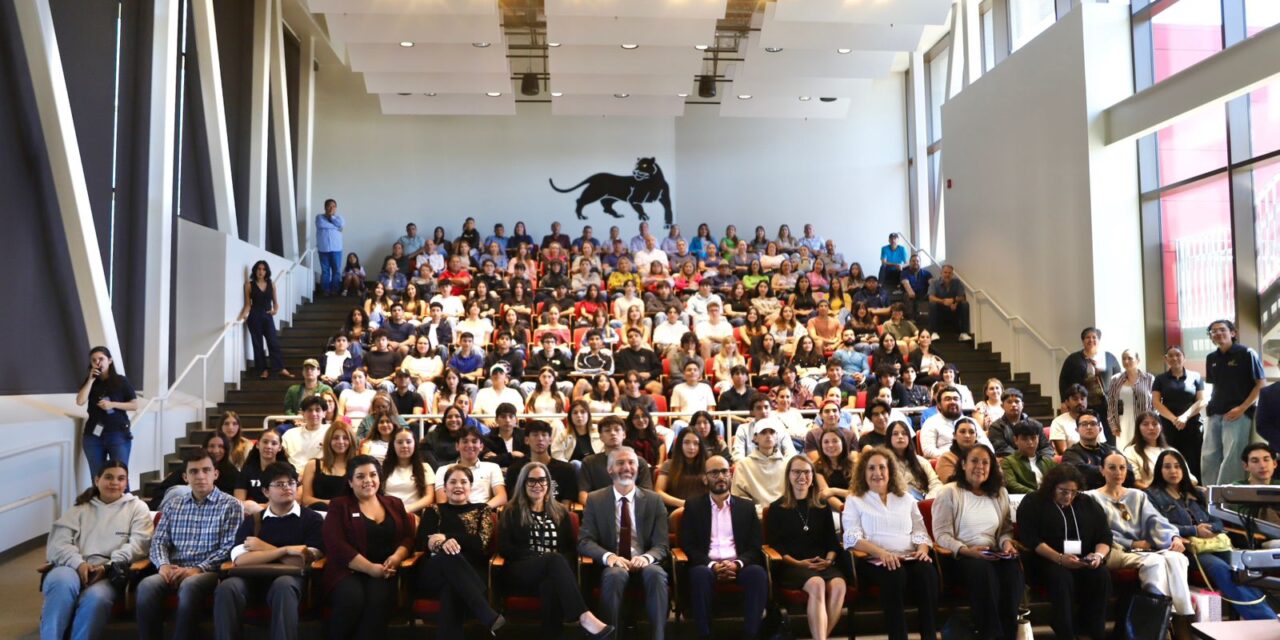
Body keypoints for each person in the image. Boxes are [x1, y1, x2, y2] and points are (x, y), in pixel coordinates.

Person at [1145, 449, 1276, 620]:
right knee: (1219, 567)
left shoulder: (1197, 493)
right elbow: (1159, 527)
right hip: (1186, 548)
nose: (1173, 471)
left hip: (1214, 543)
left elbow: (1218, 521)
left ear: (1184, 469)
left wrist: (1211, 529)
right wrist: (1195, 530)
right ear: (1159, 470)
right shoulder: (1152, 495)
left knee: (1243, 566)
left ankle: (1268, 613)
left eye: (1177, 466)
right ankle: (1265, 619)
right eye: (1167, 467)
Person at [498, 463, 617, 639]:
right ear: (523, 484)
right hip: (521, 570)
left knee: (550, 585)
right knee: (553, 559)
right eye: (531, 481)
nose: (537, 485)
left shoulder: (560, 512)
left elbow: (570, 548)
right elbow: (506, 549)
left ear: (548, 484)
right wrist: (541, 558)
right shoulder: (510, 511)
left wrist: (552, 563)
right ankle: (584, 616)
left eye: (542, 480)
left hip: (554, 573)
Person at [136, 450, 243, 640]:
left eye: (206, 470)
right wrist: (163, 565)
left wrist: (197, 569)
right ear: (185, 477)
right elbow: (159, 541)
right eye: (194, 472)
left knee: (190, 586)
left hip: (208, 571)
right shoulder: (173, 505)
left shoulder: (231, 505)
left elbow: (229, 548)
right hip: (173, 568)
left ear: (215, 474)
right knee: (146, 586)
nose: (200, 476)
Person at [213, 462, 324, 640]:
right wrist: (287, 551)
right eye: (279, 484)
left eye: (291, 482)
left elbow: (301, 562)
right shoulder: (253, 521)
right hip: (251, 580)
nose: (287, 487)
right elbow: (240, 560)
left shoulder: (312, 519)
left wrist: (263, 548)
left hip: (291, 583)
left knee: (284, 584)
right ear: (265, 491)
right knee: (228, 587)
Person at [1087, 453, 1195, 636]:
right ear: (1102, 470)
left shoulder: (1137, 495)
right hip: (1116, 549)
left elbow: (1156, 520)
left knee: (1177, 558)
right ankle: (1159, 623)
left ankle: (1179, 618)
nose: (1118, 472)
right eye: (1112, 467)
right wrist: (1131, 542)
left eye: (1122, 467)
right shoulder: (1091, 497)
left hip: (1144, 549)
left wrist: (1173, 537)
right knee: (1155, 562)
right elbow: (1096, 532)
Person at [42, 461, 152, 640]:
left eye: (120, 478)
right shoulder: (79, 508)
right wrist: (79, 564)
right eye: (108, 477)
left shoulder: (137, 508)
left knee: (96, 598)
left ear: (126, 482)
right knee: (62, 583)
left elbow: (139, 545)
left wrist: (106, 567)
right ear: (96, 480)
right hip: (72, 567)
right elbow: (58, 544)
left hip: (109, 572)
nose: (114, 483)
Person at [841, 447, 937, 640]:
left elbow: (920, 531)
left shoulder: (906, 498)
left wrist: (922, 549)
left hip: (909, 556)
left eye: (882, 468)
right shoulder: (855, 500)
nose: (877, 473)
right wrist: (881, 553)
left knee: (926, 570)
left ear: (890, 471)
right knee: (894, 573)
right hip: (874, 561)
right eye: (871, 468)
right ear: (863, 472)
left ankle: (929, 635)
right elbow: (852, 537)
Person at [931, 445, 1024, 640]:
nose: (979, 466)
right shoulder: (948, 492)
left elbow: (1005, 531)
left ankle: (1009, 633)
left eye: (985, 462)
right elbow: (941, 535)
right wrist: (968, 551)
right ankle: (991, 635)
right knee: (982, 569)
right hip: (960, 557)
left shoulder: (999, 493)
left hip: (992, 553)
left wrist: (1007, 544)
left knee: (1011, 567)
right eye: (974, 461)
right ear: (963, 464)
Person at [578, 446, 669, 639]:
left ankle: (658, 636)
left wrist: (647, 558)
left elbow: (662, 544)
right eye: (620, 463)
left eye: (631, 463)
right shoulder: (595, 499)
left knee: (656, 574)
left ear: (638, 468)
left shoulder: (654, 500)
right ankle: (610, 636)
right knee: (615, 575)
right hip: (612, 565)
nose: (626, 467)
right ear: (610, 469)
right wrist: (609, 556)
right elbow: (585, 541)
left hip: (645, 562)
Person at [321, 455, 414, 640]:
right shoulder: (339, 505)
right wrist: (370, 568)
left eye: (373, 475)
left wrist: (397, 556)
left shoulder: (394, 503)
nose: (368, 481)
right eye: (360, 476)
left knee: (378, 600)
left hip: (385, 571)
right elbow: (336, 544)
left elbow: (408, 537)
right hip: (348, 571)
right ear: (350, 481)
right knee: (351, 598)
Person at [1015, 464, 1112, 640]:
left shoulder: (1087, 502)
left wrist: (1098, 556)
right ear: (1052, 486)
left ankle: (1096, 631)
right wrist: (1059, 558)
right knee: (1060, 576)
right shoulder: (1034, 502)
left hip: (1082, 559)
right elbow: (1031, 539)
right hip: (1046, 560)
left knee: (1101, 574)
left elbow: (1104, 536)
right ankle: (1065, 632)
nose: (1068, 496)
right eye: (1063, 491)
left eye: (1073, 492)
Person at [680, 455, 769, 640]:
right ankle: (704, 634)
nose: (720, 476)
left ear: (730, 474)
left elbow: (755, 546)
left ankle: (751, 634)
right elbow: (688, 545)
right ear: (705, 478)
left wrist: (738, 564)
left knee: (758, 574)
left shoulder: (746, 507)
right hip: (706, 565)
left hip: (738, 563)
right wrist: (712, 565)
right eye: (714, 472)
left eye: (724, 471)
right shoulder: (694, 506)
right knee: (699, 575)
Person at [412, 465, 506, 639]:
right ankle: (486, 612)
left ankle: (486, 616)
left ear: (471, 486)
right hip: (435, 573)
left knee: (452, 588)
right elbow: (423, 542)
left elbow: (481, 544)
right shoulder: (433, 510)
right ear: (445, 488)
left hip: (470, 573)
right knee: (448, 556)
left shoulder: (482, 510)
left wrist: (446, 537)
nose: (458, 486)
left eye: (464, 482)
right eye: (452, 482)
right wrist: (438, 544)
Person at [765, 455, 846, 640]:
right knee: (817, 584)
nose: (802, 477)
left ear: (812, 477)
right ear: (788, 476)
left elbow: (832, 542)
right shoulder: (777, 508)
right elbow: (778, 547)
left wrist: (829, 560)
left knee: (839, 585)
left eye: (807, 472)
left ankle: (821, 636)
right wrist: (800, 564)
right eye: (796, 472)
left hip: (822, 564)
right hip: (792, 566)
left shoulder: (822, 505)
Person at [1203, 319, 1266, 485]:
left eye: (1222, 330)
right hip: (1214, 412)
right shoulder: (1211, 358)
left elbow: (1260, 384)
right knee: (1209, 457)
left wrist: (1242, 408)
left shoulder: (1246, 353)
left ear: (1232, 333)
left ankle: (1229, 498)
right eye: (1214, 331)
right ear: (1211, 337)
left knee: (1232, 458)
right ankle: (1210, 496)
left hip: (1237, 414)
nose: (1218, 333)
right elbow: (1216, 385)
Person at [75, 346, 140, 478]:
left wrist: (113, 404)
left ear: (109, 361)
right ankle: (99, 498)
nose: (98, 362)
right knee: (97, 477)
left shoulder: (121, 381)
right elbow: (80, 401)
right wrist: (91, 380)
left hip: (117, 434)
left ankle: (123, 499)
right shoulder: (90, 382)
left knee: (120, 475)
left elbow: (134, 405)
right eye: (94, 360)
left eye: (101, 359)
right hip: (93, 435)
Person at [1152, 346, 1207, 480]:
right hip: (1168, 425)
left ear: (1184, 357)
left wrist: (1185, 417)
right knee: (1169, 458)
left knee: (1193, 460)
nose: (1175, 358)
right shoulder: (1160, 379)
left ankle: (1195, 492)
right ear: (1166, 359)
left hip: (1191, 424)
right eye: (1170, 355)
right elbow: (1156, 403)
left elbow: (1202, 401)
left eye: (1178, 355)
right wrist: (1174, 419)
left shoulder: (1195, 377)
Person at [237, 261, 295, 380]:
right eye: (259, 269)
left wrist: (275, 310)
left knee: (273, 342)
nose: (261, 271)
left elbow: (276, 303)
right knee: (257, 344)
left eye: (263, 269)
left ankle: (280, 368)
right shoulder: (248, 285)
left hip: (268, 316)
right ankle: (263, 370)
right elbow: (248, 304)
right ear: (255, 270)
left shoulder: (271, 284)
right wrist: (242, 317)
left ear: (266, 271)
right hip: (254, 316)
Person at [1057, 327, 1121, 432]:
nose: (1091, 340)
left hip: (1106, 404)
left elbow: (1118, 379)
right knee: (1084, 430)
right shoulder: (1073, 359)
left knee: (1107, 433)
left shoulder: (1109, 357)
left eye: (1094, 337)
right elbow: (1063, 380)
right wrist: (1064, 401)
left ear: (1099, 340)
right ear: (1083, 341)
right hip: (1081, 404)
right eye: (1087, 337)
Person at [578, 416, 655, 502]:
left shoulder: (639, 462)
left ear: (624, 434)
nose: (613, 433)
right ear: (600, 437)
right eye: (607, 430)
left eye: (617, 430)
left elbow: (647, 493)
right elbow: (583, 495)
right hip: (600, 510)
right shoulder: (589, 462)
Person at [505, 420, 580, 505]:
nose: (540, 439)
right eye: (535, 435)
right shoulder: (515, 469)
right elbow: (513, 502)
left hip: (556, 515)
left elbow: (567, 503)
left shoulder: (566, 469)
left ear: (550, 440)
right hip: (523, 515)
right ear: (526, 440)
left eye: (544, 435)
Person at [435, 426, 508, 508]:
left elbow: (502, 497)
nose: (470, 445)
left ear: (481, 446)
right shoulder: (443, 470)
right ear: (457, 446)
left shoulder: (492, 468)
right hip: (453, 514)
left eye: (474, 441)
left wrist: (480, 510)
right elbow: (442, 502)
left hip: (483, 512)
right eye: (465, 441)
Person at [730, 421, 787, 515]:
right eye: (763, 432)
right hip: (754, 515)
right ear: (755, 438)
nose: (768, 436)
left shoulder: (787, 464)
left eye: (772, 432)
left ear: (777, 437)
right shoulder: (743, 465)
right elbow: (738, 496)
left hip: (783, 514)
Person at [919, 386, 992, 459]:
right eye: (947, 399)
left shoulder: (972, 422)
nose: (953, 402)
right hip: (945, 462)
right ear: (939, 405)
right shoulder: (931, 422)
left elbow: (987, 446)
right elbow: (928, 451)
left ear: (961, 403)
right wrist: (956, 458)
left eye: (956, 399)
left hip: (974, 461)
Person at [1061, 410, 1125, 490]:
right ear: (1077, 430)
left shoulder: (1111, 450)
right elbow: (1082, 475)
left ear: (1100, 429)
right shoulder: (1071, 453)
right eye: (1084, 424)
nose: (1089, 427)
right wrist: (1114, 471)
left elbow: (1129, 473)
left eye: (1093, 424)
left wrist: (1098, 470)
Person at [301, 422, 356, 512]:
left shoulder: (356, 467)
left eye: (345, 438)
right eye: (335, 438)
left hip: (346, 515)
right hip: (318, 514)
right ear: (328, 441)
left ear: (351, 441)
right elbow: (306, 500)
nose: (341, 442)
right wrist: (334, 504)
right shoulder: (313, 465)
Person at [1105, 349, 1155, 447]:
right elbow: (1110, 404)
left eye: (1130, 358)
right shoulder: (1115, 379)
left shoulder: (1149, 378)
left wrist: (1152, 424)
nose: (1126, 361)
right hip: (1123, 425)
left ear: (1138, 360)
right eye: (1124, 359)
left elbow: (1155, 404)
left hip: (1144, 424)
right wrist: (1113, 426)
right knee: (1124, 455)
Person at [986, 388, 1053, 458]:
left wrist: (1041, 461)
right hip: (1011, 463)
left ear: (1022, 405)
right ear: (1002, 406)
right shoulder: (996, 427)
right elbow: (1002, 450)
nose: (1014, 405)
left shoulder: (1036, 425)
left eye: (1017, 401)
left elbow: (1046, 448)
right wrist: (1026, 459)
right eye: (1009, 402)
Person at [1123, 411, 1183, 488]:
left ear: (1160, 427)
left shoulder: (1172, 451)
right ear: (1138, 428)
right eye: (1145, 424)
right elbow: (1136, 482)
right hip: (1150, 494)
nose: (1151, 428)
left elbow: (1188, 478)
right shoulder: (1130, 452)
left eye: (1155, 424)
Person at [887, 420, 940, 500]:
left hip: (923, 502)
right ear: (889, 438)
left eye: (904, 433)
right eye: (895, 434)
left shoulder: (921, 461)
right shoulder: (884, 463)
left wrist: (928, 500)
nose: (900, 436)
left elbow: (935, 483)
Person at [1001, 421, 1058, 494]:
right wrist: (1036, 494)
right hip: (1024, 499)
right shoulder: (1008, 461)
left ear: (1038, 438)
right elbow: (1011, 484)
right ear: (1015, 440)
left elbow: (1058, 482)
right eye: (1024, 439)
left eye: (1033, 438)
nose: (1030, 442)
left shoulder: (1048, 461)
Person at [655, 429, 707, 509]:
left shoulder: (707, 465)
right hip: (675, 509)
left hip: (702, 509)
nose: (691, 447)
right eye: (686, 442)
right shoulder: (669, 464)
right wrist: (684, 504)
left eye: (696, 443)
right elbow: (658, 492)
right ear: (680, 444)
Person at [236, 430, 284, 515]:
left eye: (274, 443)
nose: (269, 446)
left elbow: (292, 497)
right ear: (258, 444)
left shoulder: (286, 470)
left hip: (280, 512)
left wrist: (262, 507)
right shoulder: (247, 470)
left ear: (279, 448)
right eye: (265, 442)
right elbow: (239, 501)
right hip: (253, 514)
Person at [281, 395, 330, 473]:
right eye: (309, 410)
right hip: (293, 475)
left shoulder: (330, 432)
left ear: (324, 413)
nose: (314, 414)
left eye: (318, 410)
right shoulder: (290, 434)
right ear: (303, 413)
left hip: (320, 474)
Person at [927, 264, 971, 341]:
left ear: (952, 274)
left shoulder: (957, 282)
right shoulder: (934, 283)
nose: (947, 275)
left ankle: (964, 333)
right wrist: (943, 301)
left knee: (965, 304)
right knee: (932, 304)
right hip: (940, 311)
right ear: (941, 273)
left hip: (953, 311)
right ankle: (934, 332)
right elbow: (931, 297)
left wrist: (954, 302)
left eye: (949, 273)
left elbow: (962, 297)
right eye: (945, 272)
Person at [934, 417, 983, 484]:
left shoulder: (984, 456)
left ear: (976, 436)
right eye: (962, 432)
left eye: (971, 432)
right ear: (954, 435)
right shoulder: (946, 458)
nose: (967, 435)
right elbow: (951, 485)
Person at [1050, 383, 1093, 454]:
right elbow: (1063, 452)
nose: (1080, 402)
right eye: (1075, 399)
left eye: (1082, 399)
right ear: (1067, 402)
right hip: (1071, 461)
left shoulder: (1094, 419)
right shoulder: (1058, 422)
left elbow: (1101, 445)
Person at [316, 198, 344, 296]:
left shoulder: (339, 218)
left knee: (336, 270)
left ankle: (335, 290)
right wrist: (337, 227)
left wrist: (332, 218)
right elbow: (322, 225)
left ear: (336, 208)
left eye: (333, 206)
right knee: (325, 271)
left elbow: (341, 224)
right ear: (325, 207)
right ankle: (325, 290)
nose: (331, 208)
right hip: (323, 249)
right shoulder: (319, 217)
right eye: (329, 206)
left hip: (337, 249)